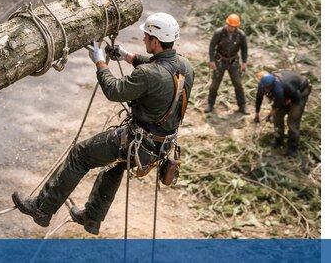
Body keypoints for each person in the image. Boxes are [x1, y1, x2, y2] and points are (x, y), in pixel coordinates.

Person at [11, 13, 194, 235]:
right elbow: (159, 66)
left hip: (138, 142)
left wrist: (100, 62)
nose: (144, 39)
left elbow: (114, 90)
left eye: (146, 36)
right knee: (115, 167)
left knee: (81, 155)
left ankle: (42, 208)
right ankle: (92, 217)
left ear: (155, 41)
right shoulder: (185, 67)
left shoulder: (148, 75)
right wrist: (126, 56)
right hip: (159, 147)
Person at [254, 70, 311, 157]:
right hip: (287, 93)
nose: (264, 90)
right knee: (277, 118)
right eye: (263, 88)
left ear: (271, 86)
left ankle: (292, 148)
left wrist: (270, 115)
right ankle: (278, 139)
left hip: (300, 92)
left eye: (266, 88)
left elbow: (297, 99)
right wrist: (257, 113)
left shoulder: (279, 89)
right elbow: (259, 98)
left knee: (292, 122)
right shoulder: (263, 85)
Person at [205, 13, 249, 114]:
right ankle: (210, 104)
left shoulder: (241, 35)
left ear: (237, 26)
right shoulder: (219, 33)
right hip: (220, 60)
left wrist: (244, 62)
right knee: (215, 84)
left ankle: (242, 106)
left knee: (238, 84)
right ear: (227, 24)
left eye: (234, 26)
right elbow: (212, 46)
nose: (231, 28)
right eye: (230, 26)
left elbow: (244, 49)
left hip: (233, 61)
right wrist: (212, 60)